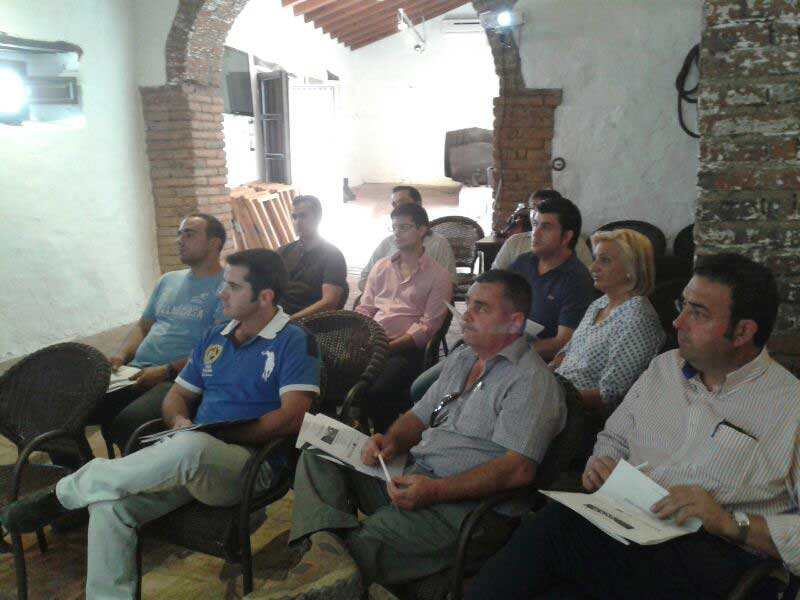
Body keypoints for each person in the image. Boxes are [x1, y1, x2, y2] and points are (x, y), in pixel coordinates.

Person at [465, 253, 800, 600]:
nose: (678, 322)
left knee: (557, 528)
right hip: (632, 524)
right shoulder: (663, 371)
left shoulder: (790, 406)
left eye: (698, 313)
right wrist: (601, 462)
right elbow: (613, 438)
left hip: (716, 554)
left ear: (743, 331)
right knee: (553, 569)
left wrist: (734, 524)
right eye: (682, 305)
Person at [2, 249, 321, 600]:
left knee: (190, 448)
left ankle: (64, 493)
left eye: (232, 285)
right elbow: (177, 395)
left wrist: (226, 435)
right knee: (110, 507)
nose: (221, 292)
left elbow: (293, 417)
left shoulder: (294, 341)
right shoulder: (216, 336)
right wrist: (181, 421)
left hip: (248, 467)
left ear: (265, 296)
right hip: (190, 457)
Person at [264, 270, 566, 598]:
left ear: (514, 321)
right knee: (319, 454)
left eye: (481, 308)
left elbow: (518, 469)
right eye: (469, 305)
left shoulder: (531, 381)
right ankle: (327, 558)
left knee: (364, 545)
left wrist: (435, 491)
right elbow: (417, 416)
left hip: (467, 508)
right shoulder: (464, 358)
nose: (467, 315)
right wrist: (391, 440)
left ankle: (330, 565)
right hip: (416, 475)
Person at [100, 213, 227, 456]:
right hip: (135, 370)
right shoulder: (168, 280)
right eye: (179, 234)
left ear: (215, 243)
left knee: (130, 421)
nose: (179, 240)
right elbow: (143, 326)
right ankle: (71, 473)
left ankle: (140, 480)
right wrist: (120, 355)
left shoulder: (227, 287)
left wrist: (167, 370)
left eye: (189, 234)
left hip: (178, 378)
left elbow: (217, 349)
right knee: (68, 407)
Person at [356, 202, 452, 432]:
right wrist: (361, 335)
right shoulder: (381, 267)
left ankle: (387, 438)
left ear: (422, 230)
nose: (397, 233)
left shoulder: (439, 276)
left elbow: (428, 326)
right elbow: (365, 308)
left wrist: (391, 346)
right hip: (373, 341)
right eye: (394, 227)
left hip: (407, 349)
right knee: (334, 375)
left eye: (404, 227)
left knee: (377, 389)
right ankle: (352, 434)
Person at [552, 228, 665, 413]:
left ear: (631, 269)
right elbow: (566, 353)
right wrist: (542, 378)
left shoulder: (637, 318)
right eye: (595, 258)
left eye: (604, 260)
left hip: (579, 414)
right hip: (556, 394)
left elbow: (609, 396)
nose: (592, 267)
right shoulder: (600, 302)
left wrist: (553, 397)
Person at [509, 195, 596, 361]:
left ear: (566, 237)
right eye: (535, 224)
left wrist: (511, 351)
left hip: (538, 364)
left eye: (546, 227)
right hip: (509, 343)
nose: (536, 233)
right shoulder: (524, 262)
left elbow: (563, 342)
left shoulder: (577, 279)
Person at [358, 185, 456, 291]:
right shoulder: (388, 243)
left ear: (418, 204)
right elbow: (364, 279)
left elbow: (449, 283)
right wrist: (381, 296)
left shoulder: (438, 244)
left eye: (402, 202)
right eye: (394, 204)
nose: (397, 207)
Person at [277, 194, 348, 319]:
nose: (297, 222)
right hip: (278, 316)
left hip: (309, 323)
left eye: (303, 216)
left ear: (318, 218)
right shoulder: (284, 251)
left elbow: (329, 302)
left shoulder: (333, 256)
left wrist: (289, 321)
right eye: (294, 217)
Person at [493, 190, 593, 270]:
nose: (537, 213)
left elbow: (589, 275)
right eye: (533, 207)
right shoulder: (515, 243)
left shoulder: (576, 243)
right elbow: (495, 276)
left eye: (545, 208)